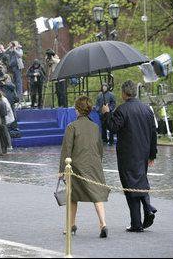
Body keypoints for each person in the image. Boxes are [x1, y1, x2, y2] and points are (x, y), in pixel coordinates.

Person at [102, 80, 157, 232]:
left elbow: (113, 128)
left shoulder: (122, 110)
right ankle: (147, 208)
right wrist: (152, 154)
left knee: (130, 186)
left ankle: (137, 223)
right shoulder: (147, 109)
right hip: (143, 153)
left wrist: (106, 113)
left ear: (124, 93)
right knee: (140, 180)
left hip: (127, 154)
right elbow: (154, 133)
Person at [59, 95, 110, 238]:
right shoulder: (95, 127)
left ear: (77, 110)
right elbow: (100, 148)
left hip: (76, 167)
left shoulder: (72, 127)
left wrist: (61, 170)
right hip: (94, 165)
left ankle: (71, 226)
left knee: (72, 197)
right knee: (97, 195)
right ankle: (103, 223)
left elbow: (66, 150)